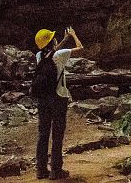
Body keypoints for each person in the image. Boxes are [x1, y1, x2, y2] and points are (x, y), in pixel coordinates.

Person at [33, 27, 84, 180]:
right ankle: (56, 170)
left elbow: (52, 51)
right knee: (57, 135)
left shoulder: (39, 56)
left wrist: (64, 39)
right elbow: (81, 49)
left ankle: (41, 170)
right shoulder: (60, 55)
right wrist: (73, 35)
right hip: (58, 98)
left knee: (43, 134)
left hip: (42, 99)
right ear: (51, 42)